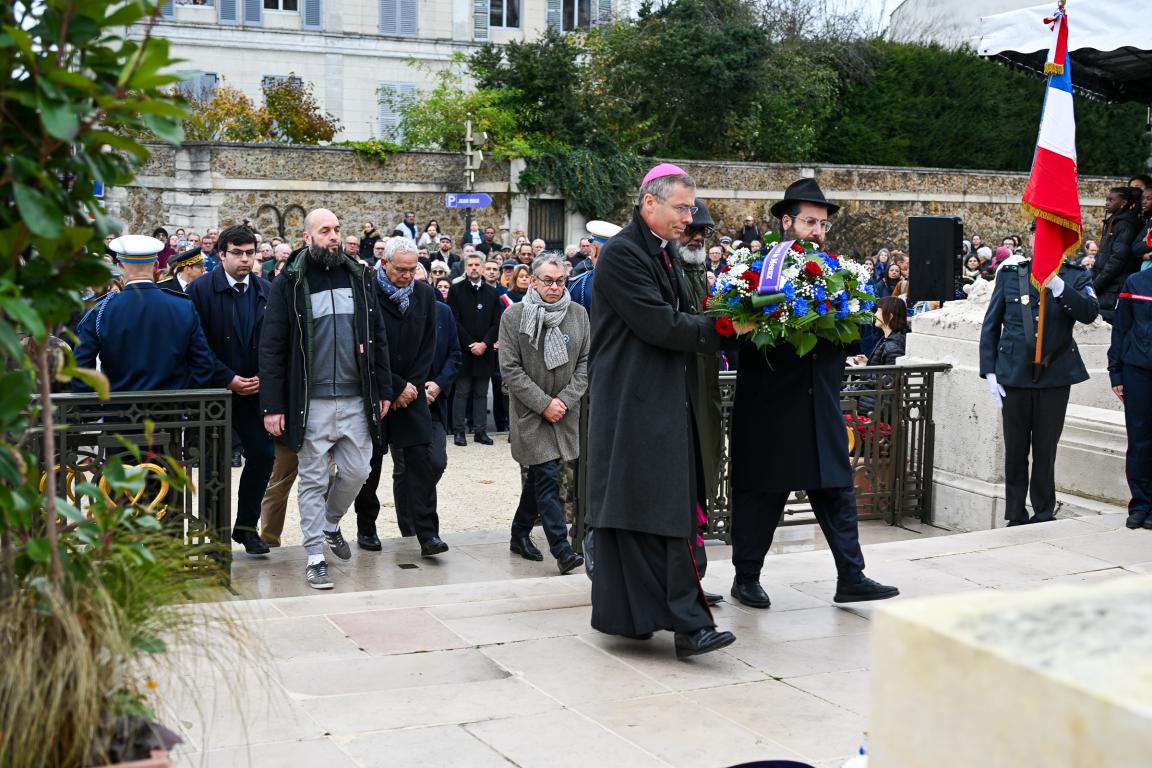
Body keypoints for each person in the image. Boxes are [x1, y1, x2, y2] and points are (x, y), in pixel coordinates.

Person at [587, 163, 741, 659]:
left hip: (650, 399)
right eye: (681, 208)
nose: (689, 218)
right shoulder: (623, 254)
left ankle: (637, 618)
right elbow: (659, 324)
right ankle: (690, 626)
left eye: (690, 208)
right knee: (666, 511)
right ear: (649, 203)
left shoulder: (657, 249)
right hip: (635, 402)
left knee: (644, 512)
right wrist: (722, 329)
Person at [730, 179, 899, 609]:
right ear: (786, 222)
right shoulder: (758, 271)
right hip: (770, 406)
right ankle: (746, 577)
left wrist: (846, 315)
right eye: (809, 222)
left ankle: (851, 576)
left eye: (823, 224)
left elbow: (854, 338)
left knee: (836, 488)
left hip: (818, 401)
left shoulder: (836, 274)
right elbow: (737, 336)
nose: (818, 231)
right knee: (763, 494)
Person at [260, 208, 394, 590]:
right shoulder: (289, 281)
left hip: (355, 397)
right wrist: (273, 406)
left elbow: (378, 336)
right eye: (325, 231)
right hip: (312, 400)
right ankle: (315, 557)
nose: (334, 236)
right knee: (313, 479)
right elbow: (272, 346)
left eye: (336, 229)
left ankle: (331, 523)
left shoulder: (359, 277)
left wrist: (384, 390)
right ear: (307, 238)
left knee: (359, 471)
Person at [979, 222, 1099, 527]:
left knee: (1046, 450)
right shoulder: (1010, 274)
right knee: (1015, 450)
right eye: (1038, 235)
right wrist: (990, 371)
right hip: (1014, 373)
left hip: (1055, 374)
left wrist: (1059, 286)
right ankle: (1015, 514)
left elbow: (1089, 312)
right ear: (1031, 239)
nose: (1043, 241)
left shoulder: (1076, 275)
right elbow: (991, 325)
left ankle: (1044, 512)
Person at [354, 237, 448, 556]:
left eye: (413, 269)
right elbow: (365, 347)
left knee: (421, 463)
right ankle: (367, 527)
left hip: (412, 392)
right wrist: (393, 387)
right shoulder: (367, 292)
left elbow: (428, 345)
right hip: (378, 392)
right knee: (371, 466)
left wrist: (411, 386)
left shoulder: (424, 294)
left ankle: (427, 533)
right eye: (401, 270)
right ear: (384, 264)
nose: (407, 276)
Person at [186, 225, 276, 556]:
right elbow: (195, 344)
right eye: (237, 253)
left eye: (250, 253)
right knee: (214, 466)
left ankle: (246, 527)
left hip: (254, 391)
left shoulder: (266, 289)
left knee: (264, 455)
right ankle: (214, 535)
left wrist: (263, 377)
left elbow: (275, 342)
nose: (245, 259)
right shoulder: (200, 290)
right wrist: (227, 378)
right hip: (215, 393)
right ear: (221, 254)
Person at [499, 253, 589, 575]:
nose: (554, 287)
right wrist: (543, 404)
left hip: (565, 413)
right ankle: (562, 550)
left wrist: (563, 400)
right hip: (531, 414)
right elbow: (510, 369)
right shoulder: (514, 316)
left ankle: (519, 533)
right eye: (548, 281)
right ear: (533, 281)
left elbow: (585, 363)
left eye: (560, 281)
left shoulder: (578, 314)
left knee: (540, 477)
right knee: (548, 476)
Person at [73, 235, 215, 393]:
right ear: (156, 266)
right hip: (171, 405)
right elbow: (203, 364)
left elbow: (81, 368)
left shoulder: (101, 310)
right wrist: (185, 402)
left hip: (117, 406)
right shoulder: (183, 306)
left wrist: (95, 405)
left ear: (119, 267)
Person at [675, 199, 725, 607]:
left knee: (699, 485)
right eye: (691, 231)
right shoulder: (667, 272)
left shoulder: (703, 275)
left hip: (702, 394)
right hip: (676, 398)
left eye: (702, 232)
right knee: (681, 492)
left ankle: (695, 576)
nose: (696, 238)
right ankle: (684, 580)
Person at [1108, 264, 1152, 530]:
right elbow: (1121, 328)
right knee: (1139, 440)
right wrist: (1115, 372)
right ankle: (1141, 504)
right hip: (1137, 371)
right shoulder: (1136, 282)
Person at [446, 253, 502, 446]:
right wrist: (471, 343)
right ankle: (459, 431)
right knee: (462, 392)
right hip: (464, 350)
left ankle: (480, 431)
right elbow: (454, 321)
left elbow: (496, 322)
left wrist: (484, 343)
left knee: (481, 392)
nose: (474, 268)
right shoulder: (456, 290)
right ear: (465, 268)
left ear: (483, 267)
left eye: (477, 265)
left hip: (485, 351)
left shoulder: (492, 292)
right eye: (470, 265)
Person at [1093, 186, 1142, 323]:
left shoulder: (1125, 225)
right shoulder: (1114, 222)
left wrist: (1096, 285)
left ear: (1124, 203)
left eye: (1111, 200)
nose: (1107, 203)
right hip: (1106, 284)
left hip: (1114, 286)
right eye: (1106, 200)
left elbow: (1117, 261)